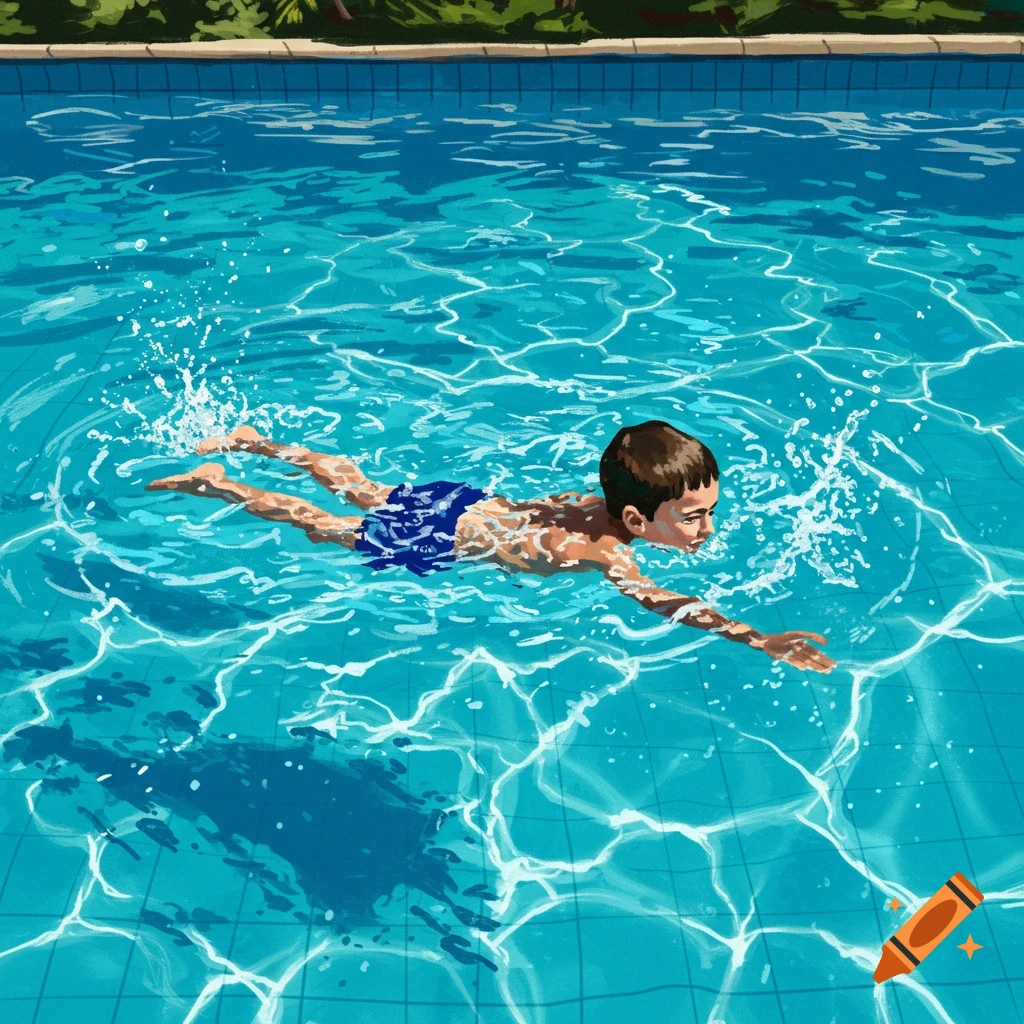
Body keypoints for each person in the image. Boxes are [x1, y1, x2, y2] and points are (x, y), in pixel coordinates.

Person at [147, 420, 835, 674]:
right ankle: (222, 484)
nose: (707, 529)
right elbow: (668, 604)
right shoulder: (608, 554)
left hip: (468, 504)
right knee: (323, 527)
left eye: (707, 512)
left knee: (359, 484)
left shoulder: (592, 503)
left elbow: (550, 507)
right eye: (691, 517)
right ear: (635, 516)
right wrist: (757, 638)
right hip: (442, 537)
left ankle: (254, 440)